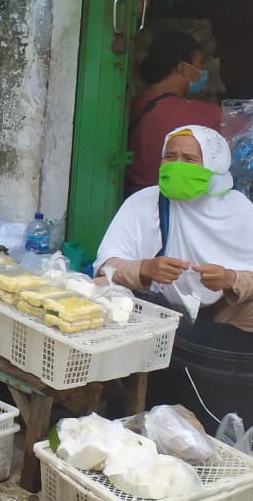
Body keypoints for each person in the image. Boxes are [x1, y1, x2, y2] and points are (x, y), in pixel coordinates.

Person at [97, 125, 253, 351]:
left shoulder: (239, 210)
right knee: (100, 290)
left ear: (213, 165)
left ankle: (228, 369)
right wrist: (145, 269)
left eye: (189, 159)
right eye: (170, 156)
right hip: (152, 308)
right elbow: (106, 268)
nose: (177, 164)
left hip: (222, 312)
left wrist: (231, 279)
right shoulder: (142, 202)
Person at [125, 31, 222, 196]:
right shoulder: (203, 113)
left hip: (133, 198)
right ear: (183, 67)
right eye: (200, 64)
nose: (204, 71)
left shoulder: (131, 106)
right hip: (174, 200)